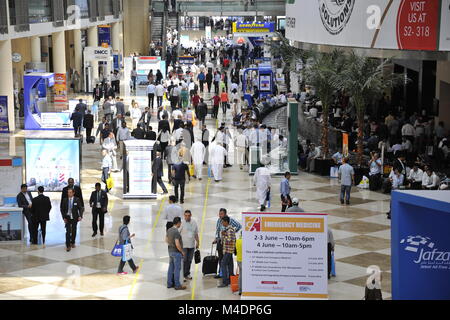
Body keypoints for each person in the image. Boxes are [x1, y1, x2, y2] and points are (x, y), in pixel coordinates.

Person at [213, 208, 241, 279]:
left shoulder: (230, 221)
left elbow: (239, 226)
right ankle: (221, 273)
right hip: (221, 241)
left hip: (228, 244)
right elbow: (217, 230)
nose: (220, 215)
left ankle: (229, 275)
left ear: (225, 214)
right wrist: (216, 238)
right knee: (221, 258)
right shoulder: (219, 220)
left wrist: (230, 233)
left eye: (221, 214)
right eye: (219, 214)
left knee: (227, 260)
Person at [166, 217, 186, 290]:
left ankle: (169, 283)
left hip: (170, 251)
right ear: (178, 223)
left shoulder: (169, 230)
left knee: (171, 268)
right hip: (176, 252)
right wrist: (182, 251)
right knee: (177, 269)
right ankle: (177, 285)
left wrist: (171, 245)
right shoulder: (176, 232)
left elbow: (166, 240)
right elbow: (177, 244)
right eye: (180, 223)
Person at [179, 210, 199, 281]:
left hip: (191, 245)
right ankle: (183, 274)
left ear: (191, 215)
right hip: (184, 245)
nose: (187, 217)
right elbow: (178, 233)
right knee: (184, 260)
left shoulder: (194, 222)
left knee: (189, 260)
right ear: (184, 216)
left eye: (188, 215)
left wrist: (198, 242)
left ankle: (187, 273)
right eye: (185, 215)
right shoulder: (181, 223)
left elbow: (196, 233)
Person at [218, 216, 236, 288]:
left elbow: (230, 240)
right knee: (230, 265)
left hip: (229, 250)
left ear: (226, 222)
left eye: (222, 222)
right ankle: (230, 279)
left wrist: (224, 235)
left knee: (223, 264)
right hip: (227, 250)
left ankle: (225, 282)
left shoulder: (230, 230)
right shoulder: (227, 230)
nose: (222, 223)